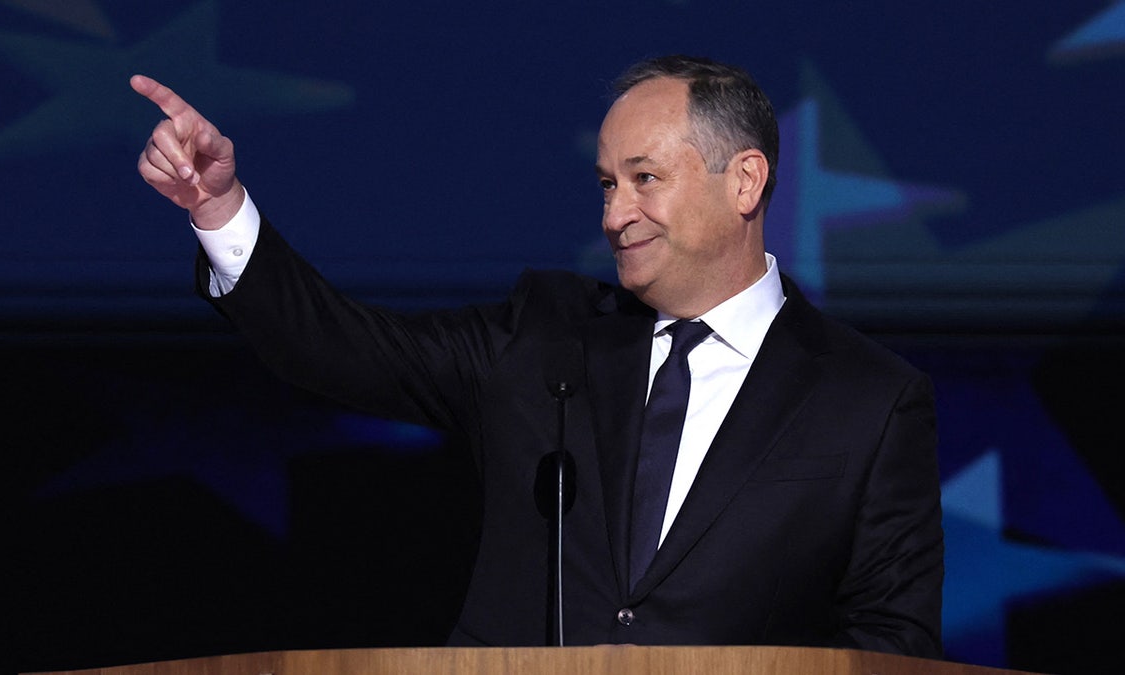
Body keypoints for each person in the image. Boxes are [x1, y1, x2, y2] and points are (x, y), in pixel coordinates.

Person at [133, 55, 944, 656]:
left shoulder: (867, 400)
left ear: (745, 182)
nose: (615, 213)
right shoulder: (547, 338)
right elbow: (342, 348)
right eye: (605, 183)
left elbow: (890, 650)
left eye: (644, 177)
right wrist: (219, 210)